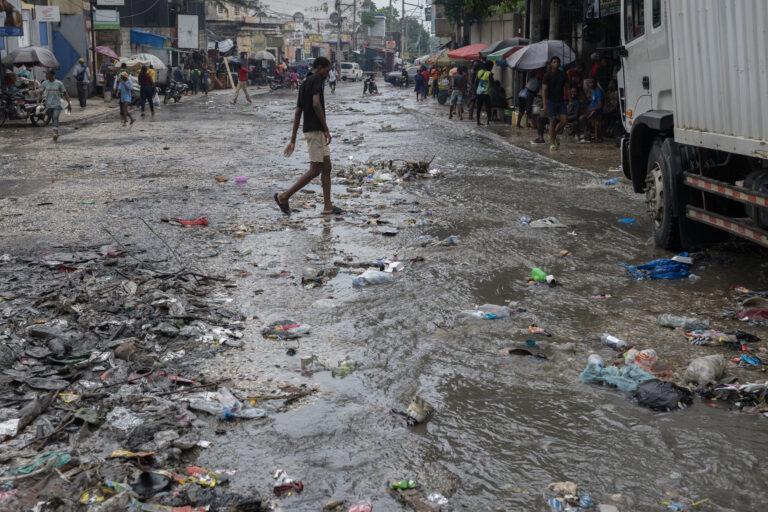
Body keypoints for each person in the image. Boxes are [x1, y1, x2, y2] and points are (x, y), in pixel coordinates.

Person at [275, 57, 341, 217]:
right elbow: (316, 104)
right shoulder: (317, 79)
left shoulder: (304, 83)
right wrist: (326, 129)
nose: (327, 73)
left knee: (327, 167)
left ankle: (328, 206)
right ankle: (284, 197)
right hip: (316, 130)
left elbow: (298, 112)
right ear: (319, 67)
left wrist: (293, 139)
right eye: (327, 70)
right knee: (315, 169)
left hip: (312, 130)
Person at [542, 56, 569, 150]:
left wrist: (569, 100)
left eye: (557, 62)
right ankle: (552, 143)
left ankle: (554, 135)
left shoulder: (563, 75)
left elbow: (567, 87)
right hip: (550, 101)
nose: (556, 63)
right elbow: (544, 90)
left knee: (564, 120)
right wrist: (544, 104)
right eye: (554, 62)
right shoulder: (547, 75)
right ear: (551, 64)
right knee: (552, 121)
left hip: (561, 101)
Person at [39, 69, 71, 142]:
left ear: (52, 75)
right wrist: (38, 102)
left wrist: (69, 103)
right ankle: (56, 130)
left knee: (55, 117)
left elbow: (65, 93)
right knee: (53, 118)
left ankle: (55, 133)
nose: (46, 75)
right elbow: (40, 92)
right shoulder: (44, 83)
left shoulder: (59, 83)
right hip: (48, 105)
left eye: (47, 74)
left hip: (57, 104)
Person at [474, 61, 493, 126]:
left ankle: (478, 121)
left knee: (479, 107)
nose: (492, 67)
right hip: (486, 93)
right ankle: (488, 122)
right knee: (488, 107)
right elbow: (492, 83)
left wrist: (476, 90)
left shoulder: (479, 72)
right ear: (490, 66)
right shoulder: (489, 73)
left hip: (479, 92)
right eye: (492, 66)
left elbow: (476, 82)